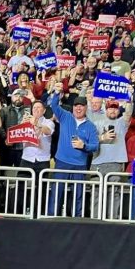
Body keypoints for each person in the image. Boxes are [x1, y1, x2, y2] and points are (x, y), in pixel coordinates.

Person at [48, 84, 100, 217]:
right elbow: (54, 105)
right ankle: (52, 217)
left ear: (86, 108)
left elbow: (95, 146)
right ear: (73, 107)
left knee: (78, 194)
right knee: (57, 191)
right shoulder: (66, 116)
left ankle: (77, 218)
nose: (78, 108)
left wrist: (84, 146)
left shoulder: (91, 126)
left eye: (81, 106)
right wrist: (57, 92)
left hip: (79, 165)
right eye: (76, 105)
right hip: (62, 162)